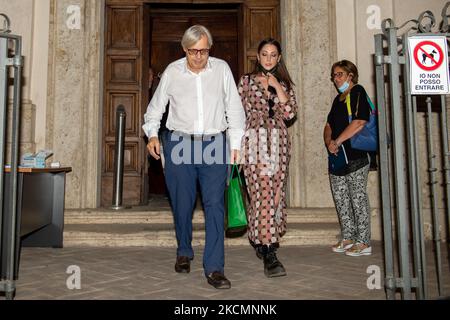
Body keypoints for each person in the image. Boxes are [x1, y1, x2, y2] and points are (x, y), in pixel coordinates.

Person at [143, 25, 245, 289]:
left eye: (204, 51)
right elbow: (155, 110)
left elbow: (234, 110)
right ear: (184, 49)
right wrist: (153, 135)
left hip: (214, 143)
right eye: (193, 51)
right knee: (182, 203)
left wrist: (236, 145)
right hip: (180, 143)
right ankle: (184, 251)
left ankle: (214, 268)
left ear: (209, 49)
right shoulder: (173, 72)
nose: (199, 57)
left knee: (214, 205)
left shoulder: (221, 69)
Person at [237, 38, 297, 277]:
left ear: (279, 58)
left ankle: (262, 238)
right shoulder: (246, 81)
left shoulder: (285, 84)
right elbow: (235, 113)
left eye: (273, 55)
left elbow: (290, 113)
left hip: (279, 143)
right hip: (254, 141)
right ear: (258, 56)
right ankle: (270, 251)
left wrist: (278, 87)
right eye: (265, 54)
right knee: (261, 190)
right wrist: (236, 148)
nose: (269, 59)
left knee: (275, 193)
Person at [323, 60, 372, 257]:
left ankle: (364, 241)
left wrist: (338, 141)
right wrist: (329, 142)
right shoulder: (338, 99)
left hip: (356, 156)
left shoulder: (358, 91)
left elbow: (360, 121)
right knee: (342, 199)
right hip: (338, 157)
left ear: (350, 75)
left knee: (357, 198)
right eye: (334, 75)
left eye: (340, 74)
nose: (336, 79)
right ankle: (349, 237)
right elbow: (328, 124)